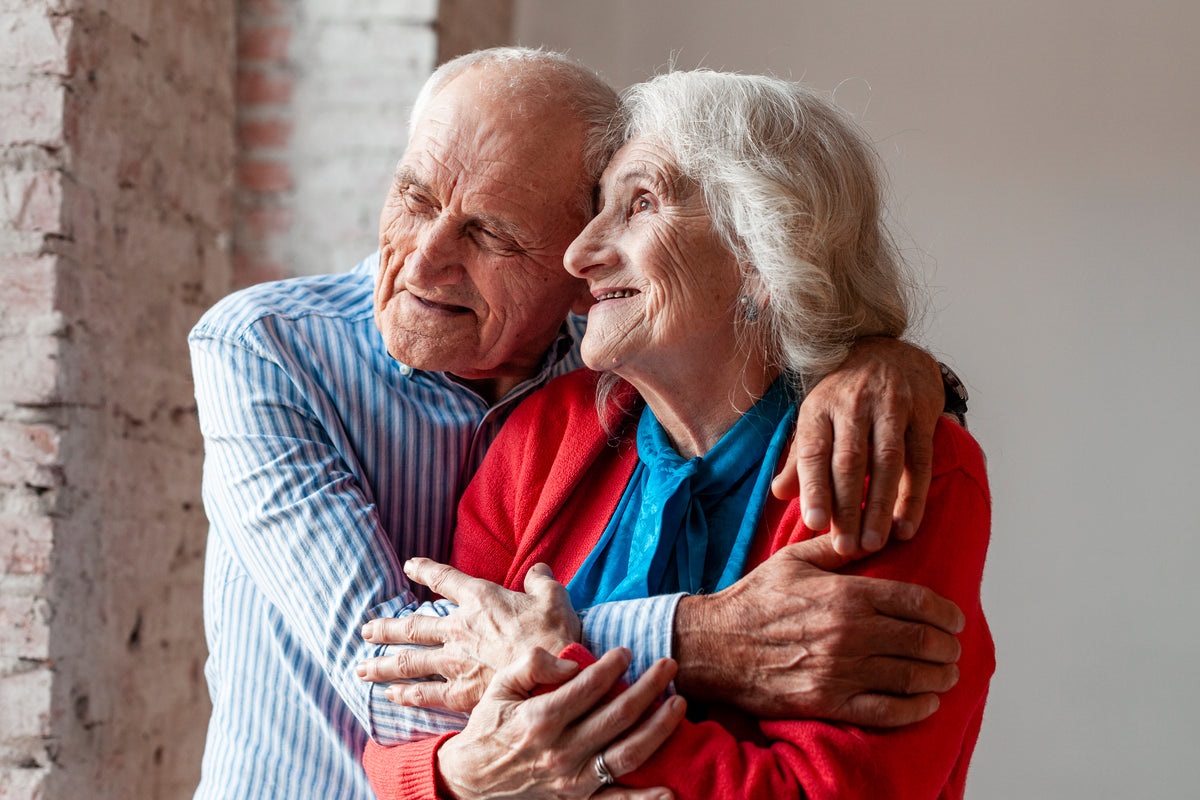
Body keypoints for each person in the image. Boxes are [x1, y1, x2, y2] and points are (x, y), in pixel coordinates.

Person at [189, 47, 963, 799]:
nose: (422, 263)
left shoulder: (601, 376)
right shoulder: (267, 347)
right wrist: (702, 640)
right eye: (415, 198)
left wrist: (890, 360)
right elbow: (408, 686)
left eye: (490, 233)